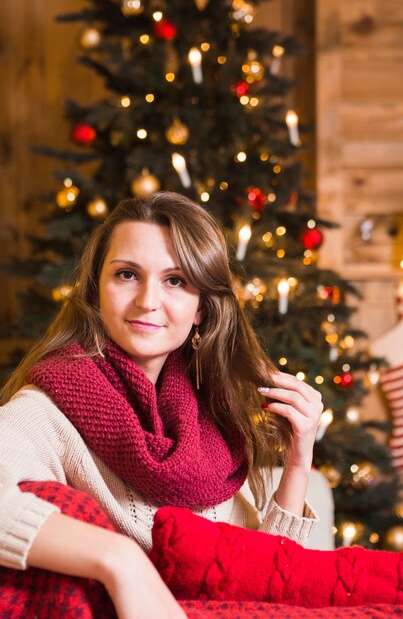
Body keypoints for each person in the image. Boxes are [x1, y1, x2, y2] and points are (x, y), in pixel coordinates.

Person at [0, 192, 324, 619]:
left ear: (202, 310)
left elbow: (263, 584)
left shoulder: (212, 420)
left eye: (175, 280)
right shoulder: (49, 408)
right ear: (96, 290)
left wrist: (299, 462)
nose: (147, 301)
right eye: (127, 275)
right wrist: (120, 561)